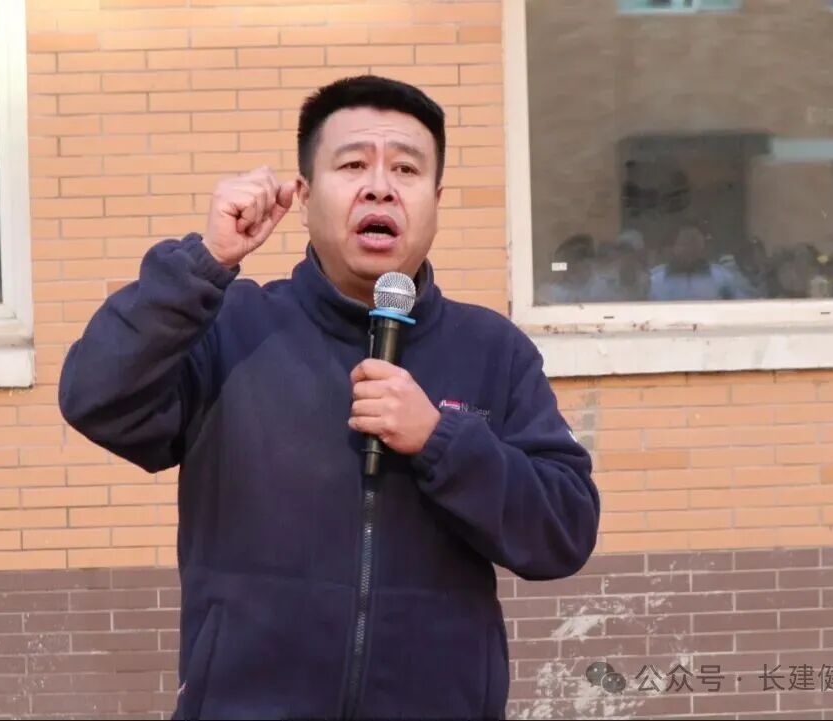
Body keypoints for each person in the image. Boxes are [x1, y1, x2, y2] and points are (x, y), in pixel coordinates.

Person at [59, 75, 600, 721]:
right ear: (305, 196)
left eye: (407, 168)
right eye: (352, 165)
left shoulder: (493, 349)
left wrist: (441, 441)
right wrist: (205, 263)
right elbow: (96, 396)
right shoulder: (232, 326)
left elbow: (563, 530)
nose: (380, 186)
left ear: (436, 200)